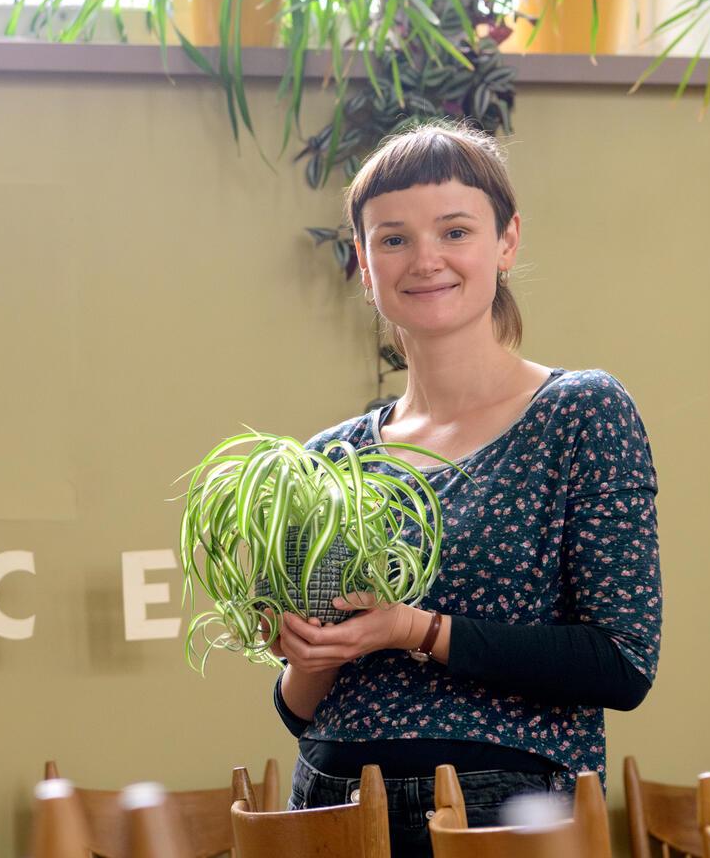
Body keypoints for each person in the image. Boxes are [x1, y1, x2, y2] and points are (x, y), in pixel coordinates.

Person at [270, 122, 662, 858]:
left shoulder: (580, 412)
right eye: (393, 239)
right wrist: (309, 653)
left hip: (502, 810)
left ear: (506, 242)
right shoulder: (328, 458)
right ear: (363, 262)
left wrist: (413, 629)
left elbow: (622, 662)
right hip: (327, 803)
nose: (426, 259)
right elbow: (301, 712)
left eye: (455, 230)